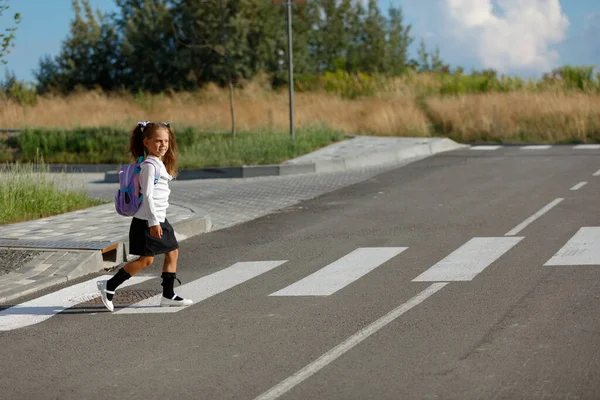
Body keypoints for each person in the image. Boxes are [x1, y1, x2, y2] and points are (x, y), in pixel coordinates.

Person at [97, 121, 192, 312]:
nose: (163, 145)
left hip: (158, 219)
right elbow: (147, 195)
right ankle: (109, 286)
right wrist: (154, 223)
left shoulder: (159, 163)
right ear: (146, 142)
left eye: (165, 141)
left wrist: (158, 220)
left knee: (172, 252)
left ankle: (168, 295)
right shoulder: (149, 165)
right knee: (146, 260)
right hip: (148, 221)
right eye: (158, 141)